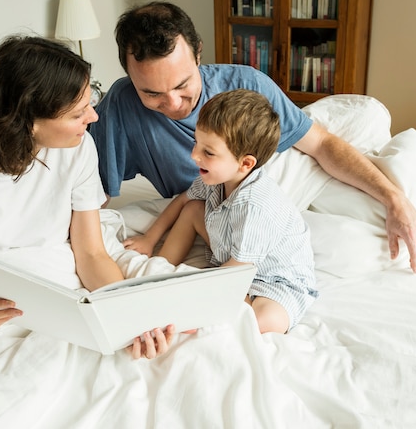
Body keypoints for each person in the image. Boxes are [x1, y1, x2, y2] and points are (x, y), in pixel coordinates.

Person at [89, 0, 416, 273]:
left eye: (182, 85)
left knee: (381, 190)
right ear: (130, 77)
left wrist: (394, 199)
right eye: (152, 94)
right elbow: (92, 195)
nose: (173, 104)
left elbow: (320, 145)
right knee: (352, 248)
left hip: (279, 173)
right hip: (219, 205)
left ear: (198, 54)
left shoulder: (246, 84)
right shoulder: (120, 106)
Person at [0, 35, 172, 359]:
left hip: (65, 280)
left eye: (91, 100)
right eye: (77, 113)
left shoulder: (78, 148)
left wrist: (123, 318)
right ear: (27, 123)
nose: (93, 117)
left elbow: (90, 253)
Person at [124, 90, 318, 333]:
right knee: (193, 208)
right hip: (233, 254)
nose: (194, 156)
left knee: (267, 320)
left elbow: (238, 271)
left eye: (208, 152)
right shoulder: (215, 178)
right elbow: (183, 201)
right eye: (197, 143)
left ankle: (200, 313)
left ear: (245, 164)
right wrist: (149, 239)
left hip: (274, 279)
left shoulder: (256, 207)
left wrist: (193, 297)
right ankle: (163, 270)